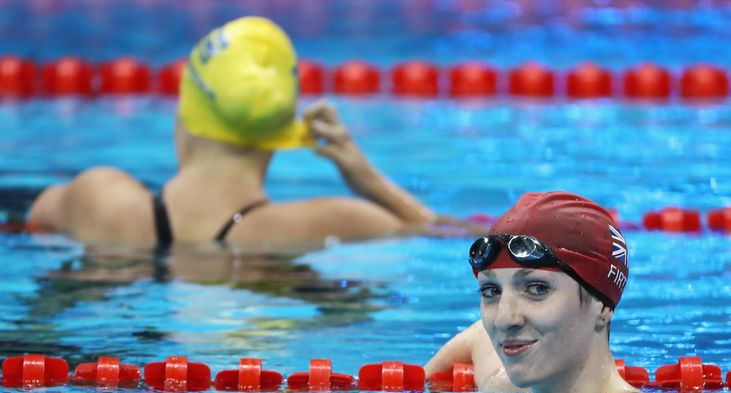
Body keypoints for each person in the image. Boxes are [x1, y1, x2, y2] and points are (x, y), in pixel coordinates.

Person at [27, 17, 480, 250]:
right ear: (281, 135)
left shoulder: (98, 197)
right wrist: (369, 181)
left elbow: (34, 221)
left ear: (184, 115)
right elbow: (446, 235)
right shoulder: (326, 221)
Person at [425, 191, 694, 393]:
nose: (505, 319)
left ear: (602, 306)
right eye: (491, 291)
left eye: (537, 288)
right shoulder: (503, 388)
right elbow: (479, 336)